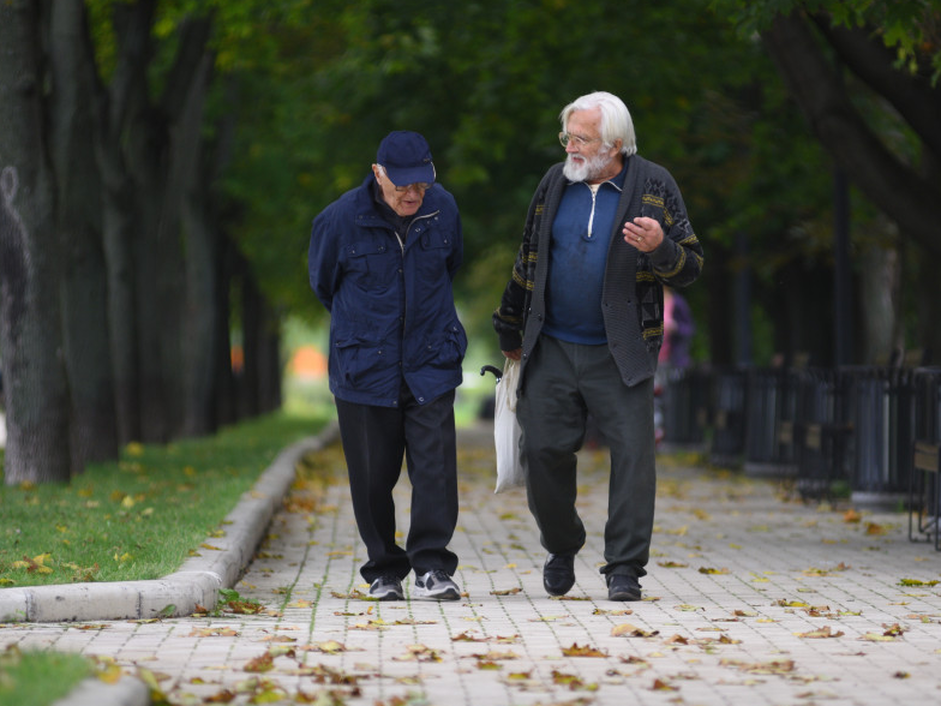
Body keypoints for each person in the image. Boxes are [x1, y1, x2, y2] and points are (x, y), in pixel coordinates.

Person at [493, 92, 704, 601]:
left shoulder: (654, 185)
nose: (570, 146)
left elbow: (692, 267)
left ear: (613, 144)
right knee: (541, 450)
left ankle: (625, 567)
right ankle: (562, 544)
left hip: (622, 350)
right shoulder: (554, 182)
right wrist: (510, 329)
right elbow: (527, 258)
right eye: (567, 136)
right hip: (552, 346)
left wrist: (661, 248)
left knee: (634, 457)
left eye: (580, 138)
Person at [308, 130, 467, 601]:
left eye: (421, 185)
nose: (413, 195)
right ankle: (384, 569)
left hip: (431, 361)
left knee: (435, 470)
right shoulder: (339, 219)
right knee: (373, 476)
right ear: (379, 174)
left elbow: (450, 265)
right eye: (403, 187)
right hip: (364, 368)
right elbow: (324, 284)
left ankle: (432, 566)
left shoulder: (444, 210)